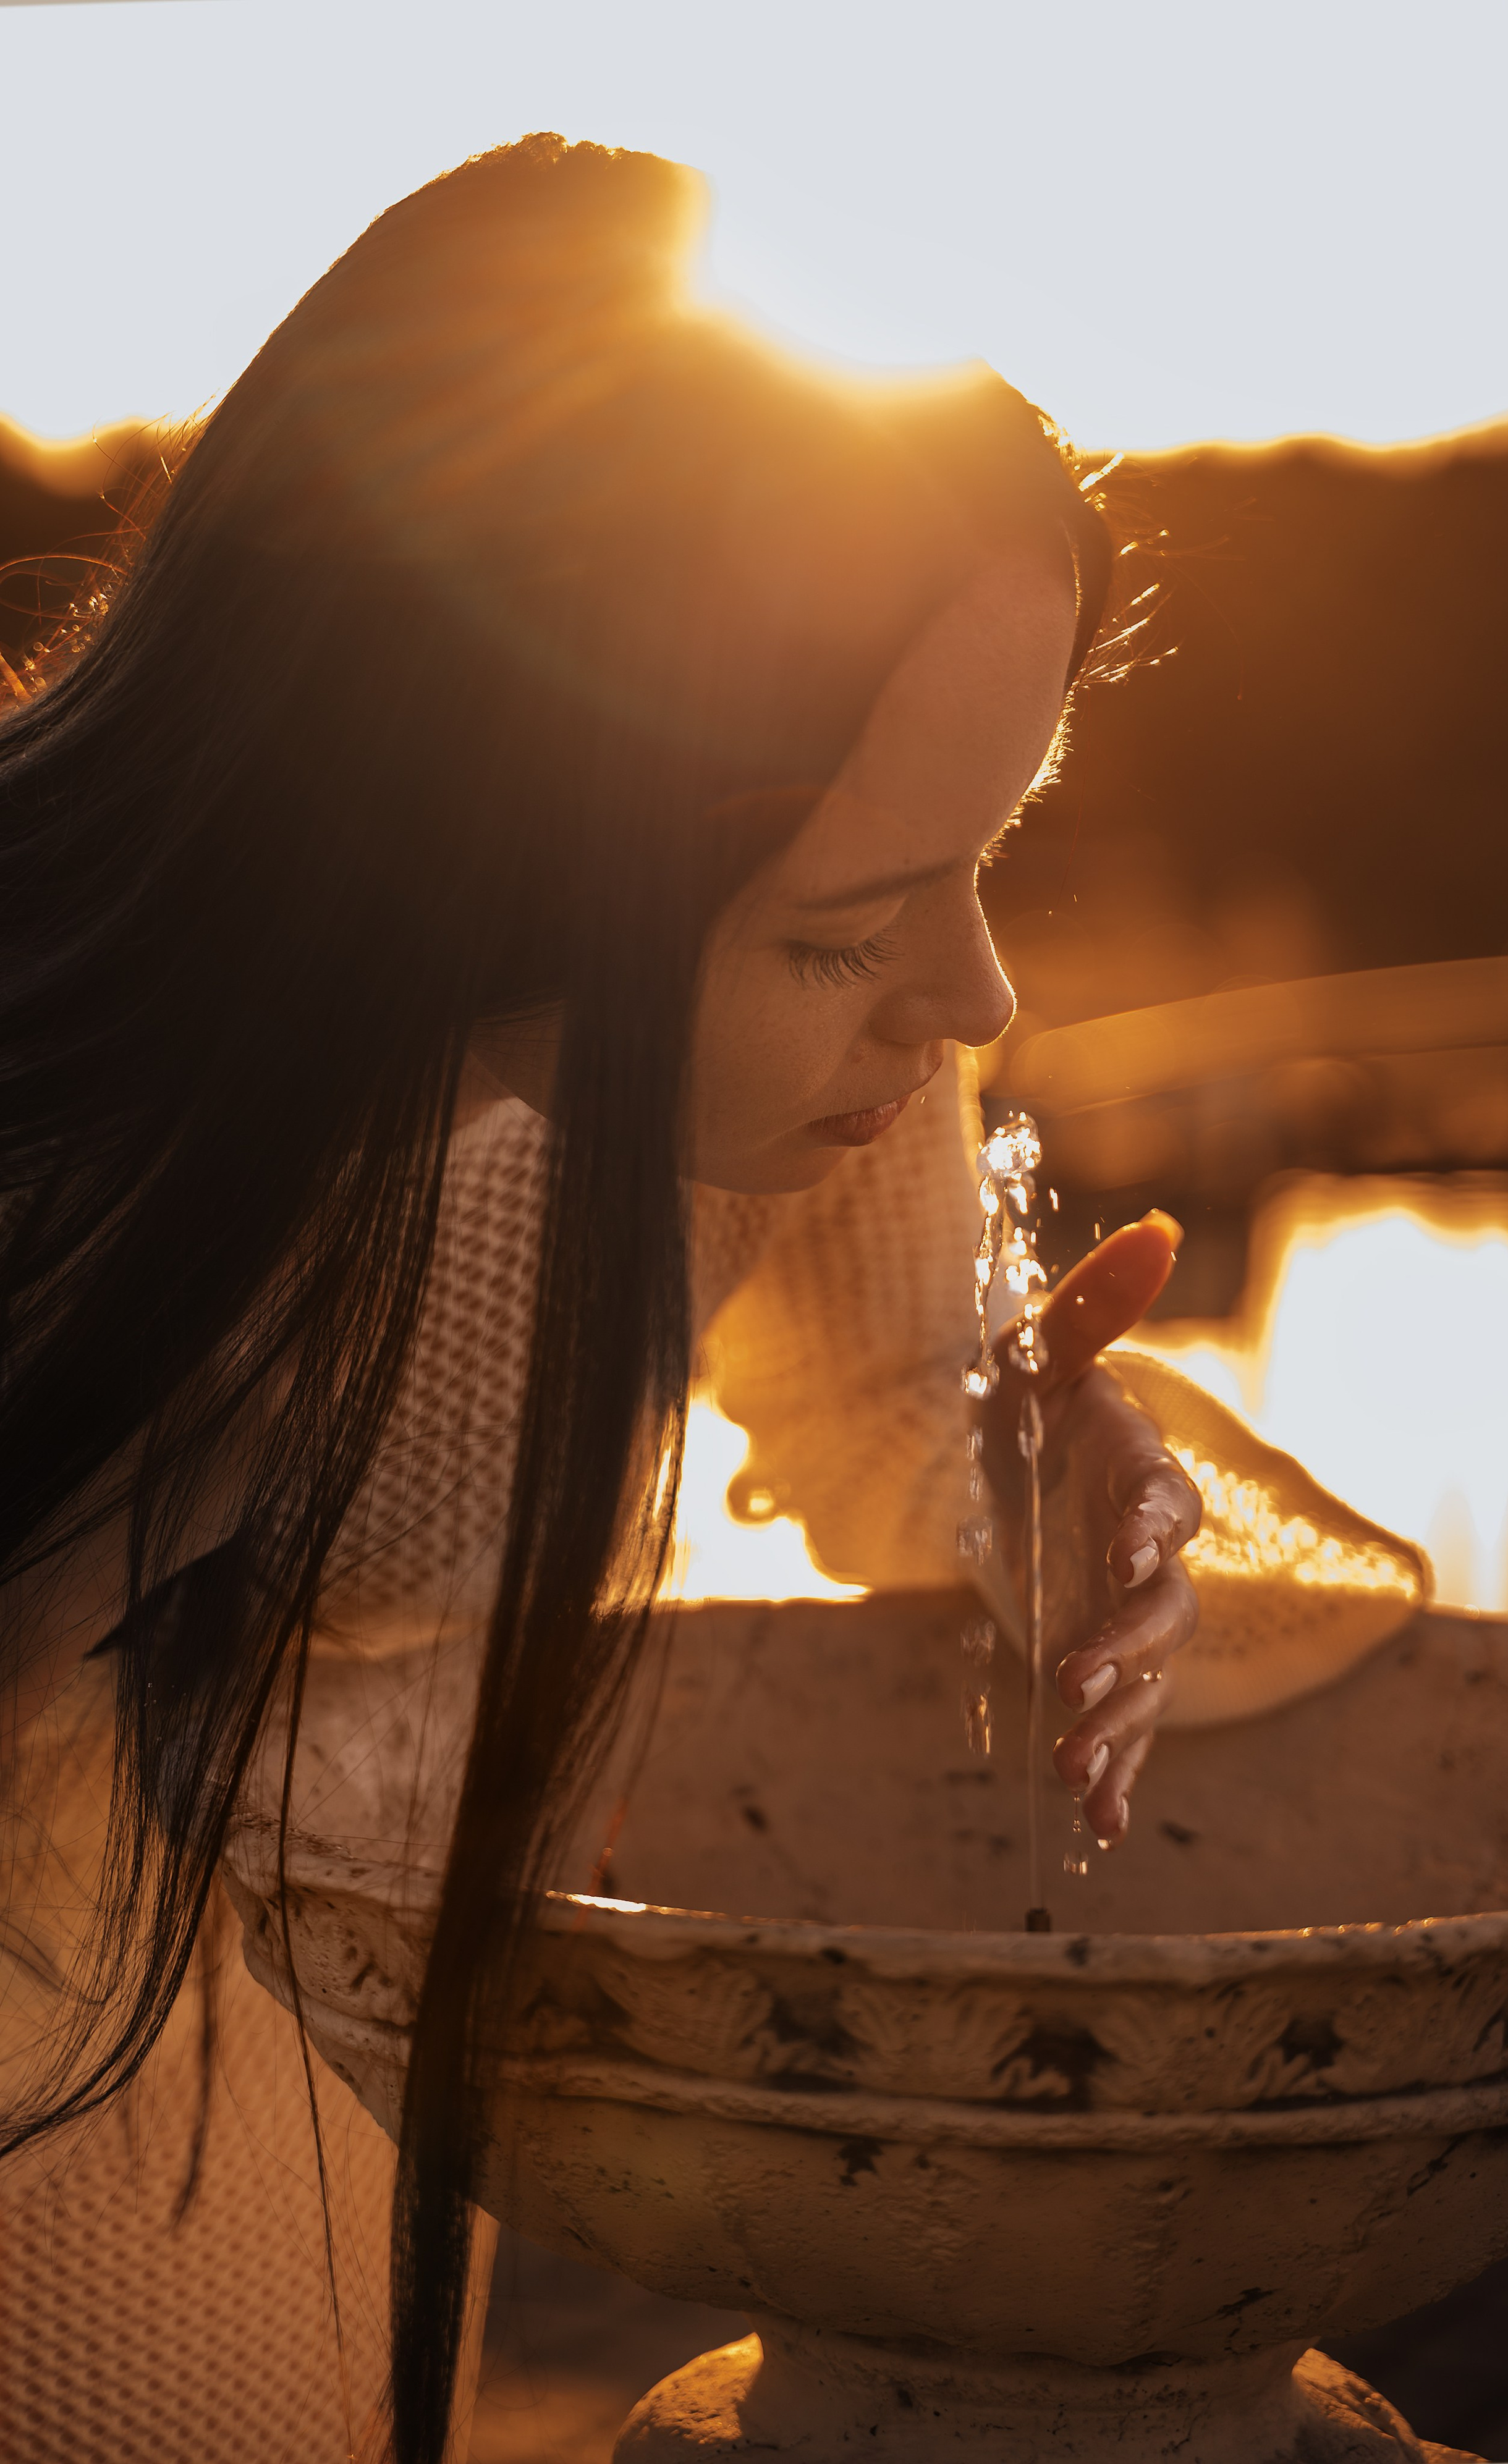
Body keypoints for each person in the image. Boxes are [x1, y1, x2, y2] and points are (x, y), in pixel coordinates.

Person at [0, 135, 1423, 2464]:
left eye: (992, 852)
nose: (972, 997)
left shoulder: (821, 1090)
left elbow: (888, 1403)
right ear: (481, 854)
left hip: (333, 2062)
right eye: (847, 927)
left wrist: (1051, 1473)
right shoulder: (62, 1148)